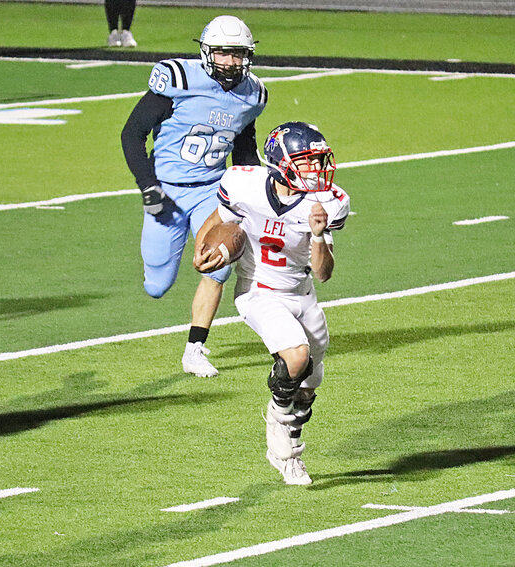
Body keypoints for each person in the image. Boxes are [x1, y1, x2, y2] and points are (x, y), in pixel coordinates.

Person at [194, 122, 350, 485]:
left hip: (302, 292)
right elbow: (221, 222)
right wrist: (205, 249)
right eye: (306, 163)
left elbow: (324, 273)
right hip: (258, 289)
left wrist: (317, 234)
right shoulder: (243, 184)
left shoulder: (329, 202)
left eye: (318, 162)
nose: (316, 172)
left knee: (308, 387)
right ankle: (278, 425)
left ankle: (288, 445)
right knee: (296, 356)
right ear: (281, 163)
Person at [121, 15, 267, 377]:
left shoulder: (253, 94)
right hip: (167, 192)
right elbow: (131, 133)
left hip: (211, 191)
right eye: (223, 53)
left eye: (238, 54)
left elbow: (245, 154)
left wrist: (261, 193)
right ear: (207, 52)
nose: (231, 62)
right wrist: (148, 186)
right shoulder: (179, 80)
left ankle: (194, 348)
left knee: (221, 265)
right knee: (157, 285)